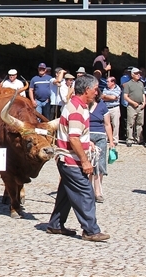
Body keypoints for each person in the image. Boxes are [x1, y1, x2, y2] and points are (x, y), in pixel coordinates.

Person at [47, 74, 109, 241]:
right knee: (86, 193)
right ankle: (90, 230)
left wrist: (88, 145)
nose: (97, 92)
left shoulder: (77, 106)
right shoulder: (76, 109)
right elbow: (73, 138)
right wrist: (85, 161)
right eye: (95, 89)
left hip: (67, 158)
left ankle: (55, 224)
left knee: (66, 193)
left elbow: (77, 136)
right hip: (71, 160)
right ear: (87, 89)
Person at [88, 89, 114, 204]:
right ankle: (88, 191)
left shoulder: (102, 106)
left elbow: (107, 124)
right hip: (86, 136)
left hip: (100, 136)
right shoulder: (83, 106)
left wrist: (111, 141)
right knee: (88, 163)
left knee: (100, 164)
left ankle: (98, 192)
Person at [123, 67, 146, 147]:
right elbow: (125, 96)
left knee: (140, 123)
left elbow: (143, 94)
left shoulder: (141, 83)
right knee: (130, 123)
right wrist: (132, 103)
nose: (138, 75)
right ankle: (129, 139)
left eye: (139, 73)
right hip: (132, 106)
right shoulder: (128, 84)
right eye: (136, 73)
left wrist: (144, 102)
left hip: (140, 105)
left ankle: (139, 138)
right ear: (132, 74)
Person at [101, 76, 121, 144]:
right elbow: (102, 97)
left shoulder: (117, 88)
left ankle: (115, 139)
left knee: (115, 124)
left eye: (108, 82)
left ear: (113, 82)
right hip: (106, 108)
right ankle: (105, 138)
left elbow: (114, 97)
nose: (106, 83)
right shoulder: (105, 88)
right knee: (106, 124)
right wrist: (110, 97)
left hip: (115, 108)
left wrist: (106, 97)